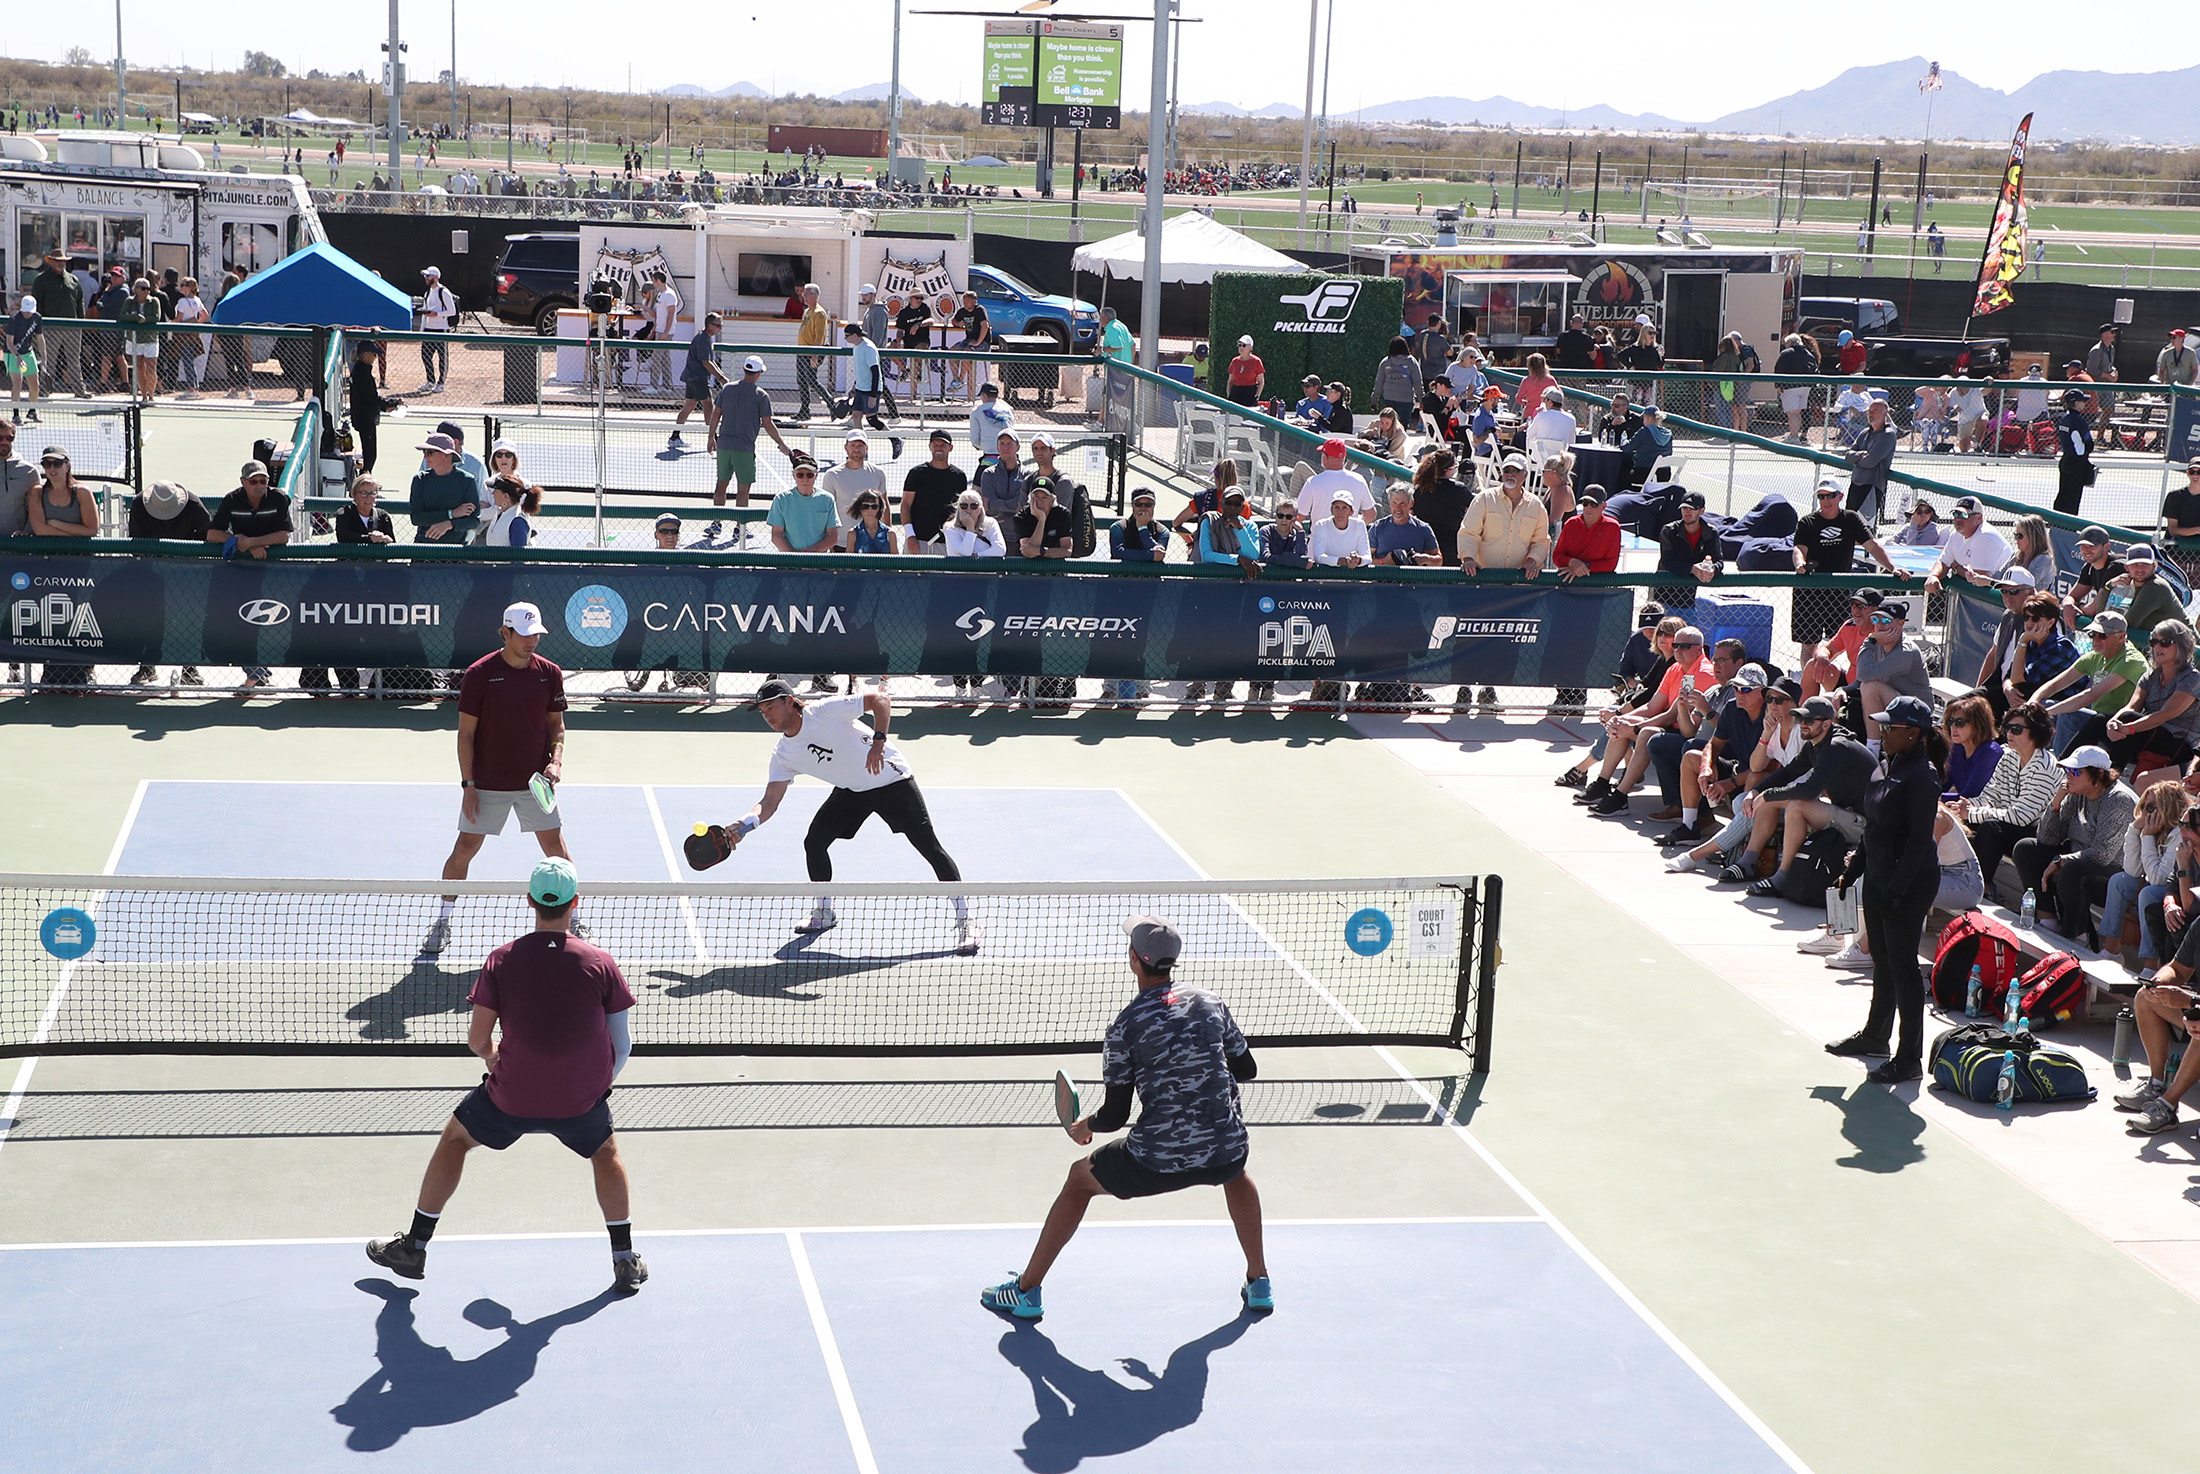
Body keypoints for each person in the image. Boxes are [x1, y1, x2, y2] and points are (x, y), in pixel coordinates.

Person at [366, 857, 645, 1295]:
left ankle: (414, 1247)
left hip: (510, 1095)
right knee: (605, 1153)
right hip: (580, 1099)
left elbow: (478, 1042)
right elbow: (622, 1045)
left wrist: (498, 1060)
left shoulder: (501, 960)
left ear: (531, 901)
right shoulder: (601, 963)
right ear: (576, 903)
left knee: (456, 1140)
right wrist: (596, 1086)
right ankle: (625, 1259)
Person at [982, 913, 1268, 1322]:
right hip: (1226, 1146)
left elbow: (1116, 1115)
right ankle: (1259, 1282)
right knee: (1235, 1173)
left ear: (1134, 959)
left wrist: (1086, 1127)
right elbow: (1246, 1070)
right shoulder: (1210, 1002)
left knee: (1079, 1179)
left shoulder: (1125, 1026)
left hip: (1157, 1158)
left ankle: (1026, 1291)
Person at [722, 681, 978, 951]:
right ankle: (824, 912)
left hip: (892, 781)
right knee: (815, 842)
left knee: (929, 848)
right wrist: (746, 824)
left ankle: (966, 919)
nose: (768, 716)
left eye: (771, 707)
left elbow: (880, 700)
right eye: (762, 712)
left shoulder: (824, 711)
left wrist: (878, 742)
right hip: (853, 790)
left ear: (789, 701)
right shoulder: (784, 754)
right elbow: (770, 801)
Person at [1823, 695, 1944, 1083]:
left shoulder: (1922, 778)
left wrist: (1896, 891)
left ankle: (1909, 1059)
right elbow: (1873, 829)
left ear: (1914, 733)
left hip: (1909, 883)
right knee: (1883, 962)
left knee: (1904, 967)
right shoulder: (1887, 767)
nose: (1883, 731)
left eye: (1891, 726)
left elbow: (1918, 844)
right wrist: (1853, 870)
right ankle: (1876, 1036)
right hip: (1877, 877)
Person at [2013, 746, 2137, 950]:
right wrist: (2055, 803)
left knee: (2072, 868)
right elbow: (2047, 838)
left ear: (2097, 774)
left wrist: (2061, 861)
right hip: (2079, 862)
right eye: (2067, 771)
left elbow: (2102, 854)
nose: (2069, 776)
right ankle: (2048, 922)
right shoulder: (2076, 793)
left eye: (2076, 772)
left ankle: (2077, 938)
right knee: (2026, 849)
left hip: (2114, 876)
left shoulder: (2119, 799)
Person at [1950, 701, 2060, 896]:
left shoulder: (2045, 766)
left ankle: (1980, 887)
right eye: (2008, 727)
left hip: (2040, 833)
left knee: (1991, 827)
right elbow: (1992, 795)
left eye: (2017, 729)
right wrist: (1966, 806)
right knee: (1961, 819)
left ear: (2035, 731)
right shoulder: (2009, 756)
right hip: (2014, 824)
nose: (2009, 733)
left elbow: (2022, 817)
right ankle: (1958, 877)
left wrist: (1973, 813)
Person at [1791, 477, 1904, 643]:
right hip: (1809, 592)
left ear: (1840, 496)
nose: (1826, 500)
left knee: (1839, 642)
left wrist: (1893, 567)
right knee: (1809, 645)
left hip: (1839, 592)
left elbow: (1872, 546)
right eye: (1822, 497)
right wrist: (1800, 564)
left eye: (1830, 495)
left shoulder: (1850, 519)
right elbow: (1799, 549)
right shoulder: (1807, 522)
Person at [2105, 784, 2190, 973]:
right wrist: (2136, 830)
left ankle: (2150, 965)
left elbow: (2159, 879)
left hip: (2179, 891)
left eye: (2150, 807)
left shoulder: (2179, 833)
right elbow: (2132, 870)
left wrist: (2148, 838)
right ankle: (2111, 950)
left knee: (2149, 893)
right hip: (2159, 883)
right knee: (2119, 881)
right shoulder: (2150, 829)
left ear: (2167, 808)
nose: (2144, 813)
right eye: (2143, 806)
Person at [2098, 619, 2200, 771]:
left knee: (2128, 720)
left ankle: (2108, 778)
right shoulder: (2151, 675)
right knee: (2098, 720)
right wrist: (2113, 722)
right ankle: (2063, 769)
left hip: (2181, 744)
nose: (2158, 647)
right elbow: (2132, 706)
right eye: (2154, 642)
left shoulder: (2192, 678)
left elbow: (2165, 715)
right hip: (2150, 735)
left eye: (2165, 642)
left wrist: (2128, 728)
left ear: (2181, 646)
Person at [1106, 490, 1169, 706]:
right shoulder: (1118, 527)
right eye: (1139, 504)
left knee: (1142, 641)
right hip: (1120, 594)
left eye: (1148, 504)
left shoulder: (1162, 531)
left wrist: (1143, 530)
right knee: (1115, 641)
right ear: (1132, 506)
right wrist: (1149, 557)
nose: (1144, 508)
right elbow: (1119, 552)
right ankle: (1109, 687)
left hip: (1147, 594)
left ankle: (1140, 689)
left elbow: (1159, 552)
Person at [712, 354, 796, 509]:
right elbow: (768, 423)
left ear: (744, 369)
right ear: (759, 373)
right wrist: (782, 444)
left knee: (721, 484)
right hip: (744, 448)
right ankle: (740, 528)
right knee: (743, 489)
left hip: (723, 445)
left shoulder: (727, 389)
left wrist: (711, 438)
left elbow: (716, 414)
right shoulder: (761, 395)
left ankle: (716, 523)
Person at [1456, 454, 1548, 577]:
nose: (1510, 474)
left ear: (1525, 475)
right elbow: (1469, 532)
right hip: (1484, 578)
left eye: (1515, 470)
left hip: (1521, 580)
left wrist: (1532, 561)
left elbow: (1541, 540)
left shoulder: (1536, 505)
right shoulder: (1484, 499)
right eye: (1506, 470)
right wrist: (1468, 559)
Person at [1921, 496, 2012, 593]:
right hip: (1974, 597)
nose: (1958, 519)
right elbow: (1943, 562)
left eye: (1964, 515)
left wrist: (1956, 567)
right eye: (1956, 514)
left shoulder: (1985, 536)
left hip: (1997, 599)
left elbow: (1977, 578)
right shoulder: (1956, 534)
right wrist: (1933, 576)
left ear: (1979, 518)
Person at [902, 429, 968, 553]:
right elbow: (905, 505)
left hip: (946, 542)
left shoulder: (959, 476)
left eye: (943, 445)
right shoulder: (916, 473)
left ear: (950, 447)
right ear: (930, 447)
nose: (939, 448)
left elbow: (960, 509)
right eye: (935, 445)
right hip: (918, 541)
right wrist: (910, 536)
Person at [407, 433, 481, 544]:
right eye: (424, 453)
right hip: (423, 550)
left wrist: (449, 524)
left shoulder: (467, 481)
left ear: (446, 455)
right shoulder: (420, 480)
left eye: (430, 453)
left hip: (456, 551)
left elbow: (473, 521)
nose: (426, 457)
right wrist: (452, 514)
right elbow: (417, 518)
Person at [1655, 490, 1722, 605]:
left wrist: (1712, 570)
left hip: (1690, 597)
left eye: (1692, 508)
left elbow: (1719, 561)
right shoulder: (1669, 531)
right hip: (1664, 594)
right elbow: (1668, 561)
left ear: (1702, 511)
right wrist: (1692, 569)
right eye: (1684, 508)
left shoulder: (1711, 533)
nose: (1687, 512)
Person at [767, 460, 843, 559]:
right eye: (800, 475)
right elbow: (777, 535)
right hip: (788, 561)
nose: (805, 479)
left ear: (816, 475)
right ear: (793, 475)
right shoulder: (781, 499)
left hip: (819, 561)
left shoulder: (827, 499)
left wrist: (809, 554)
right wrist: (794, 558)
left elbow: (832, 537)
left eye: (810, 475)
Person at [671, 313, 726, 448]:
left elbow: (710, 362)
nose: (720, 328)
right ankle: (713, 439)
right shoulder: (703, 340)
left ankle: (674, 437)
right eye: (718, 325)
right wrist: (721, 378)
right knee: (709, 405)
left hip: (693, 377)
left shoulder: (705, 339)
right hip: (697, 378)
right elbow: (706, 362)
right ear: (710, 326)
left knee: (689, 406)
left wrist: (721, 376)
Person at [1410, 448, 1470, 565]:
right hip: (1452, 546)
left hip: (1425, 546)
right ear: (1448, 470)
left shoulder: (1420, 490)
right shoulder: (1459, 490)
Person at [347, 341, 399, 473]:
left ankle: (364, 478)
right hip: (365, 418)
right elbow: (371, 397)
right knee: (370, 454)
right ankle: (364, 480)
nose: (375, 358)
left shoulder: (360, 371)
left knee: (369, 453)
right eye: (374, 355)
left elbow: (370, 397)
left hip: (362, 416)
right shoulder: (362, 373)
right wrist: (391, 403)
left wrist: (386, 405)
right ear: (366, 355)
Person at [1939, 694, 2002, 802]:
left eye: (1960, 722)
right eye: (1950, 721)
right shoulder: (1957, 748)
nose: (1953, 727)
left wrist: (1934, 797)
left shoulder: (1990, 752)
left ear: (1977, 724)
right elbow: (1943, 783)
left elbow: (1971, 795)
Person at [2063, 525, 2127, 629]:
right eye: (2083, 547)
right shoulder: (2089, 566)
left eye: (2092, 546)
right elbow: (2072, 596)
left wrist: (2078, 607)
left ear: (2106, 546)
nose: (2086, 551)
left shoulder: (2116, 566)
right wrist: (2068, 605)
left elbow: (2095, 608)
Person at [1298, 438, 1377, 523]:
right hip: (1349, 536)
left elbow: (1299, 516)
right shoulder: (1359, 480)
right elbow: (1370, 515)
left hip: (1320, 535)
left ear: (1324, 458)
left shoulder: (1313, 482)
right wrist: (1355, 528)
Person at [1843, 399, 1897, 523]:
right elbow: (1848, 456)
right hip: (1856, 484)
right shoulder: (1865, 433)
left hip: (1871, 487)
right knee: (1848, 525)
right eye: (1870, 411)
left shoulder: (1887, 435)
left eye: (1875, 411)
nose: (1871, 414)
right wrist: (1861, 455)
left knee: (1863, 528)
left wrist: (1857, 460)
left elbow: (1870, 462)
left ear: (1885, 413)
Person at [1552, 488, 1620, 583]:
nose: (1589, 507)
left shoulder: (1612, 527)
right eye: (1585, 503)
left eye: (1594, 504)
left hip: (1599, 585)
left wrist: (1583, 567)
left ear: (1604, 506)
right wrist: (1572, 562)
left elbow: (1611, 564)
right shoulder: (1571, 523)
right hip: (1568, 584)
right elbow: (1556, 556)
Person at [1370, 484, 1439, 568]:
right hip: (1382, 579)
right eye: (1394, 503)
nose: (1397, 508)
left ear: (1411, 503)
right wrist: (1384, 561)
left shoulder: (1423, 528)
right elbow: (1365, 559)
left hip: (1412, 578)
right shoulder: (1377, 527)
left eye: (1402, 504)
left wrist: (1425, 559)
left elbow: (1439, 560)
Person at [117, 277, 163, 400]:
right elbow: (123, 316)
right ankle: (143, 395)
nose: (146, 291)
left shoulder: (154, 301)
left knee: (151, 368)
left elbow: (156, 317)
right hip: (135, 340)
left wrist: (145, 319)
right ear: (136, 289)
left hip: (150, 339)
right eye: (143, 288)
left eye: (149, 288)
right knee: (139, 368)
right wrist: (136, 318)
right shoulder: (129, 301)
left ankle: (151, 395)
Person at [792, 283, 832, 420]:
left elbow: (820, 335)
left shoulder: (819, 313)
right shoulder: (807, 311)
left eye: (806, 294)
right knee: (801, 381)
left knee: (812, 381)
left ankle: (831, 404)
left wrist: (815, 355)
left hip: (811, 352)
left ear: (814, 296)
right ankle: (804, 410)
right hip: (802, 350)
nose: (803, 297)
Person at [2055, 388, 2095, 516]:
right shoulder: (2080, 422)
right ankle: (2069, 528)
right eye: (2082, 401)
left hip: (2065, 460)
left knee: (2063, 494)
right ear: (2076, 403)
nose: (2084, 403)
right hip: (2077, 464)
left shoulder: (2063, 419)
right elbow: (2089, 444)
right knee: (2073, 498)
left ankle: (2056, 522)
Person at [417, 266, 457, 393]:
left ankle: (441, 383)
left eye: (428, 276)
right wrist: (422, 331)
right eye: (426, 276)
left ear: (436, 277)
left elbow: (452, 311)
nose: (426, 278)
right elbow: (425, 312)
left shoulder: (443, 292)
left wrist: (437, 314)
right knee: (425, 355)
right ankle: (430, 381)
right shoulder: (427, 293)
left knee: (442, 357)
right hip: (429, 329)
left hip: (441, 329)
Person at [1773, 334, 1818, 442]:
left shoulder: (1786, 353)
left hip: (1790, 387)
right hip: (1806, 388)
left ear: (1789, 343)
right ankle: (1794, 435)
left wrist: (1777, 384)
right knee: (1797, 412)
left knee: (1791, 413)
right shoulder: (1809, 355)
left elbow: (1778, 369)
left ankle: (1793, 436)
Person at [1308, 488, 1371, 567]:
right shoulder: (1321, 525)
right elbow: (1319, 557)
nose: (1340, 511)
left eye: (1344, 507)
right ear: (1331, 510)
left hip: (1352, 578)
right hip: (1325, 577)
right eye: (1336, 507)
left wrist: (1358, 560)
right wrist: (1341, 561)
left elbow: (1368, 557)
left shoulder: (1359, 525)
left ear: (1351, 512)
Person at [842, 323, 886, 431]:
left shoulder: (868, 348)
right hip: (860, 388)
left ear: (855, 335)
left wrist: (873, 395)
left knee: (872, 419)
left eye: (847, 335)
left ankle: (895, 439)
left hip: (870, 389)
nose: (845, 338)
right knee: (856, 416)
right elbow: (861, 371)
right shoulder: (857, 347)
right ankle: (860, 442)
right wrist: (854, 387)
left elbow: (876, 373)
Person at [4, 297, 41, 423]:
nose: (27, 313)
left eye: (29, 311)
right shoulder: (13, 319)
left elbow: (40, 338)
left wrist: (44, 358)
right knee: (17, 383)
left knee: (35, 385)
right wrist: (18, 358)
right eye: (25, 311)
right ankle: (15, 415)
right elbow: (9, 342)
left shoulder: (37, 318)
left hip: (28, 353)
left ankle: (32, 411)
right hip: (12, 353)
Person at [480, 475, 541, 548]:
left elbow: (518, 556)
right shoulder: (500, 514)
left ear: (506, 496)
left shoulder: (517, 521)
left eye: (496, 490)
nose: (493, 493)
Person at [1621, 407, 1672, 490]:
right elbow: (1670, 453)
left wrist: (1624, 441)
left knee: (1623, 475)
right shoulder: (1668, 434)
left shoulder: (1644, 432)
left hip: (1644, 473)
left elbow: (1627, 448)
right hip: (1664, 475)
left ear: (1647, 417)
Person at [1372, 336, 1419, 423]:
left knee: (1390, 424)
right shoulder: (1411, 362)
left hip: (1389, 397)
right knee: (1402, 425)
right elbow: (1418, 382)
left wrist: (1374, 400)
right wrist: (1421, 400)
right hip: (1406, 398)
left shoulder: (1385, 362)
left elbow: (1379, 383)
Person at [1223, 335, 1264, 408]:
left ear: (1250, 347)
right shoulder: (1235, 361)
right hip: (1235, 393)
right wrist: (1229, 395)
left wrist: (1256, 397)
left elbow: (1261, 382)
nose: (1241, 347)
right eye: (1239, 345)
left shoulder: (1256, 361)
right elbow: (1230, 381)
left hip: (1249, 393)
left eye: (1244, 345)